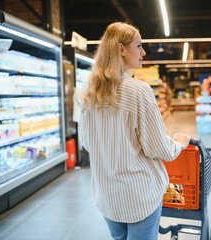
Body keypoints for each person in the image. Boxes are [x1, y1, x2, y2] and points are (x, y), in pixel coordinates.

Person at [79, 22, 191, 240]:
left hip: (107, 194)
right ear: (122, 49)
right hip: (138, 195)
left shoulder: (89, 92)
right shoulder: (139, 91)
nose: (143, 52)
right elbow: (159, 148)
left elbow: (87, 144)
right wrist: (179, 143)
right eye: (138, 46)